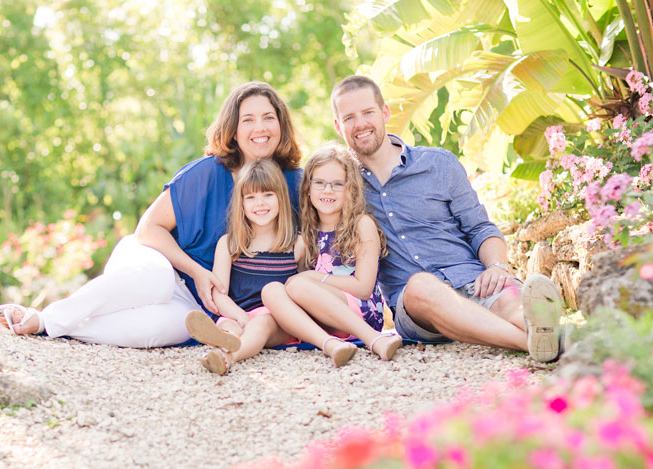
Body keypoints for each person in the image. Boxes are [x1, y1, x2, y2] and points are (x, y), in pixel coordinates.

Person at [0, 82, 302, 348]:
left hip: (200, 304)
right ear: (233, 130)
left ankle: (49, 327)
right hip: (156, 260)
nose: (259, 128)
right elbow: (148, 229)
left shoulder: (295, 184)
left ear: (281, 125)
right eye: (248, 120)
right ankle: (48, 314)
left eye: (268, 118)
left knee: (159, 331)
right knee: (158, 281)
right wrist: (195, 270)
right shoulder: (205, 174)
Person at [329, 75, 566, 362]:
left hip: (473, 278)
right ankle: (541, 343)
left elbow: (479, 227)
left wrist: (497, 266)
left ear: (385, 113)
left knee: (512, 305)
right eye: (349, 117)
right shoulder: (341, 185)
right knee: (420, 285)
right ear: (338, 126)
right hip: (417, 304)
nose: (361, 123)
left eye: (367, 112)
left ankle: (547, 334)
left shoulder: (438, 164)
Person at [259, 144, 403, 361]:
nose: (327, 191)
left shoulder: (361, 224)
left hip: (359, 312)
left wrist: (315, 278)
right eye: (319, 183)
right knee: (271, 291)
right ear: (308, 188)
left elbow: (363, 288)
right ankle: (330, 345)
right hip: (321, 315)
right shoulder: (307, 230)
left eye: (337, 184)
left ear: (351, 189)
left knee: (298, 284)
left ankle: (374, 339)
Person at [182, 159, 310, 374]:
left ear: (282, 198)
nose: (259, 203)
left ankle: (228, 358)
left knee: (261, 323)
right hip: (238, 314)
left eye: (268, 195)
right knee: (227, 326)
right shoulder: (230, 244)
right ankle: (224, 344)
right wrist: (240, 317)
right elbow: (219, 293)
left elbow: (305, 293)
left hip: (277, 322)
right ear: (241, 204)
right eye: (251, 197)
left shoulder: (297, 245)